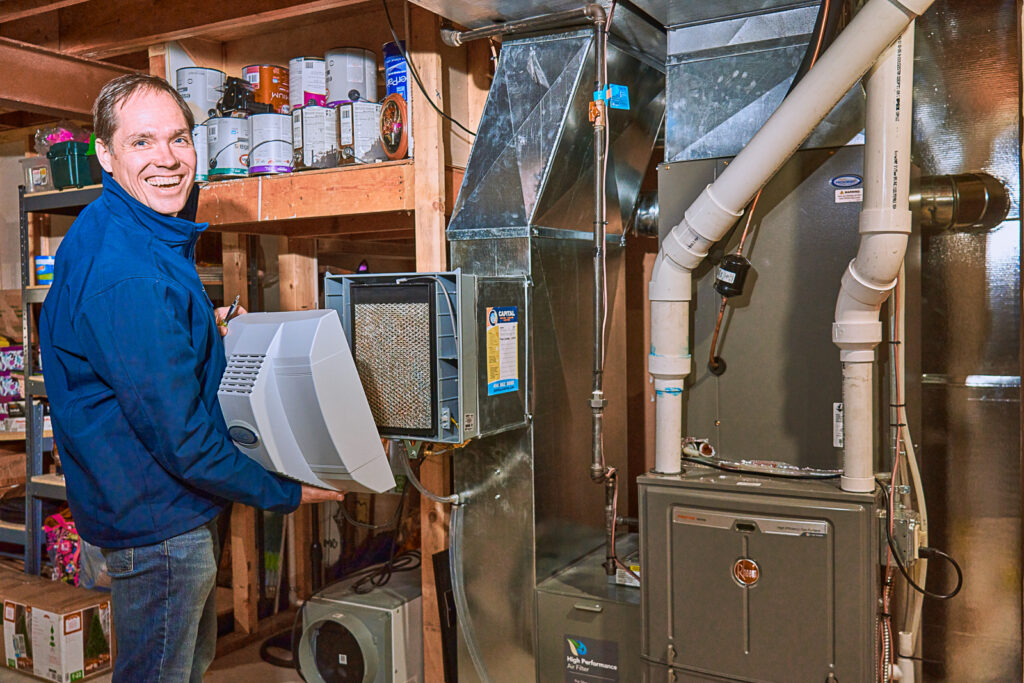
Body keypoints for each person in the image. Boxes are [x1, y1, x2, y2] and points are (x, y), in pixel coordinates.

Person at [39, 73, 344, 682]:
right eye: (143, 142)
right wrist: (284, 492)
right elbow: (184, 442)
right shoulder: (129, 276)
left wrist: (203, 326)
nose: (168, 159)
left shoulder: (112, 226)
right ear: (104, 152)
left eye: (179, 139)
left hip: (136, 504)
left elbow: (130, 346)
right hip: (161, 528)